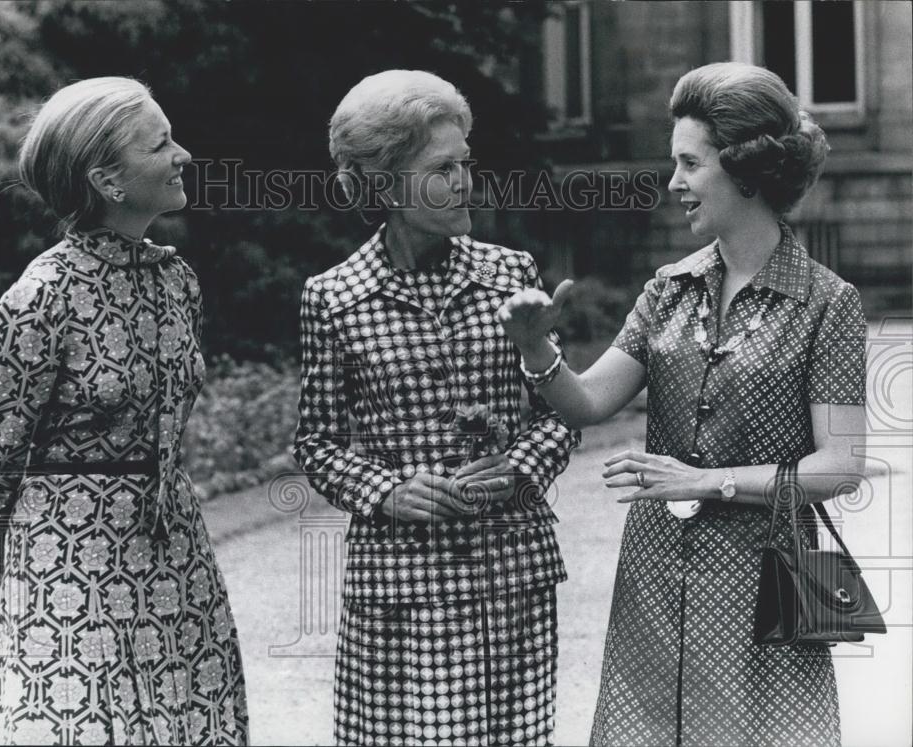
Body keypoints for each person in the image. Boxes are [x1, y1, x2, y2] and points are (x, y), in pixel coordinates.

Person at [498, 62, 866, 746]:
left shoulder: (827, 302)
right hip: (657, 570)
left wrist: (707, 481)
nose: (673, 183)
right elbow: (587, 402)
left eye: (690, 164)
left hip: (770, 582)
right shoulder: (669, 287)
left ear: (746, 171)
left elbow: (840, 465)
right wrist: (536, 349)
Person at [292, 69, 578, 746]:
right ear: (383, 182)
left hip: (510, 569)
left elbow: (562, 410)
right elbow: (317, 444)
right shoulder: (333, 297)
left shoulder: (510, 275)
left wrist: (520, 468)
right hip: (397, 580)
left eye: (465, 164)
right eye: (441, 168)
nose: (463, 182)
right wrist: (389, 490)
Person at [0, 77, 250, 745]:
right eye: (160, 144)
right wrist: (31, 568)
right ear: (108, 181)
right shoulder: (42, 295)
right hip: (70, 560)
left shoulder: (178, 280)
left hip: (174, 552)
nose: (183, 154)